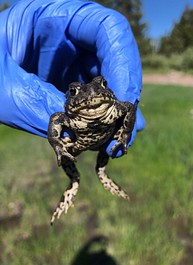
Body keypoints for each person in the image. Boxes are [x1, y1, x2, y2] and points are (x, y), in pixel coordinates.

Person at [0, 0, 145, 158]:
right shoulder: (68, 118)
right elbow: (56, 117)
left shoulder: (115, 109)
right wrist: (56, 142)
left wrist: (125, 134)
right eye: (74, 91)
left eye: (102, 84)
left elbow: (129, 107)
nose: (91, 93)